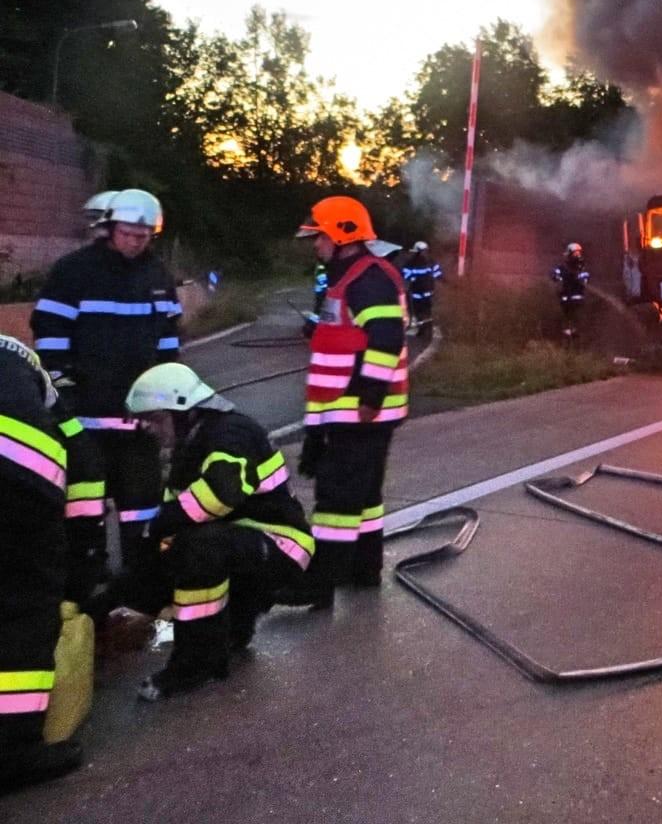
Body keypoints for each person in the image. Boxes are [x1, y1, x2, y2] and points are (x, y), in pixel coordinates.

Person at [90, 364, 313, 700]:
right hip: (242, 545)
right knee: (182, 551)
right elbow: (167, 536)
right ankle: (232, 632)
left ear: (184, 410)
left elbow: (220, 494)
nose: (149, 429)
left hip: (282, 545)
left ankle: (196, 665)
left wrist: (158, 527)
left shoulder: (232, 433)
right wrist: (116, 597)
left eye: (156, 418)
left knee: (200, 549)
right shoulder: (189, 448)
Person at [30, 188, 179, 572]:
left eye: (143, 236)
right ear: (110, 228)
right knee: (83, 508)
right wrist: (62, 387)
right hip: (86, 422)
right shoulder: (74, 272)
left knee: (143, 507)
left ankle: (140, 583)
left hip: (137, 421)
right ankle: (85, 580)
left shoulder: (158, 276)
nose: (135, 241)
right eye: (128, 233)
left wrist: (164, 403)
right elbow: (49, 334)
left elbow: (167, 344)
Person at [284, 196, 408, 608]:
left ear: (340, 234)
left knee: (336, 497)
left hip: (361, 410)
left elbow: (386, 337)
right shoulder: (349, 276)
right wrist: (316, 332)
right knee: (365, 496)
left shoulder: (367, 278)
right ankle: (363, 571)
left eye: (318, 237)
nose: (314, 245)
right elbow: (350, 335)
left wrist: (370, 396)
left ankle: (319, 584)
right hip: (350, 409)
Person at [0, 336, 86, 791]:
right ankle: (14, 752)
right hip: (18, 482)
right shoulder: (25, 360)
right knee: (24, 607)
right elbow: (80, 460)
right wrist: (85, 562)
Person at [402, 241, 443, 341]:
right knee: (427, 310)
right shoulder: (431, 262)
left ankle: (423, 330)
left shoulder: (410, 263)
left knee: (419, 311)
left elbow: (406, 276)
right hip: (428, 291)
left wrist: (412, 279)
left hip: (417, 292)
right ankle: (426, 330)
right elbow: (438, 275)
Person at [552, 242, 590, 342]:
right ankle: (567, 339)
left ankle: (576, 338)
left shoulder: (582, 268)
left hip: (577, 302)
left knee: (578, 322)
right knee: (566, 322)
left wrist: (582, 277)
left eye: (579, 253)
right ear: (569, 254)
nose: (577, 255)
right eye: (575, 253)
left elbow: (585, 278)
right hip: (565, 300)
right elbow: (554, 273)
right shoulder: (563, 268)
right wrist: (556, 276)